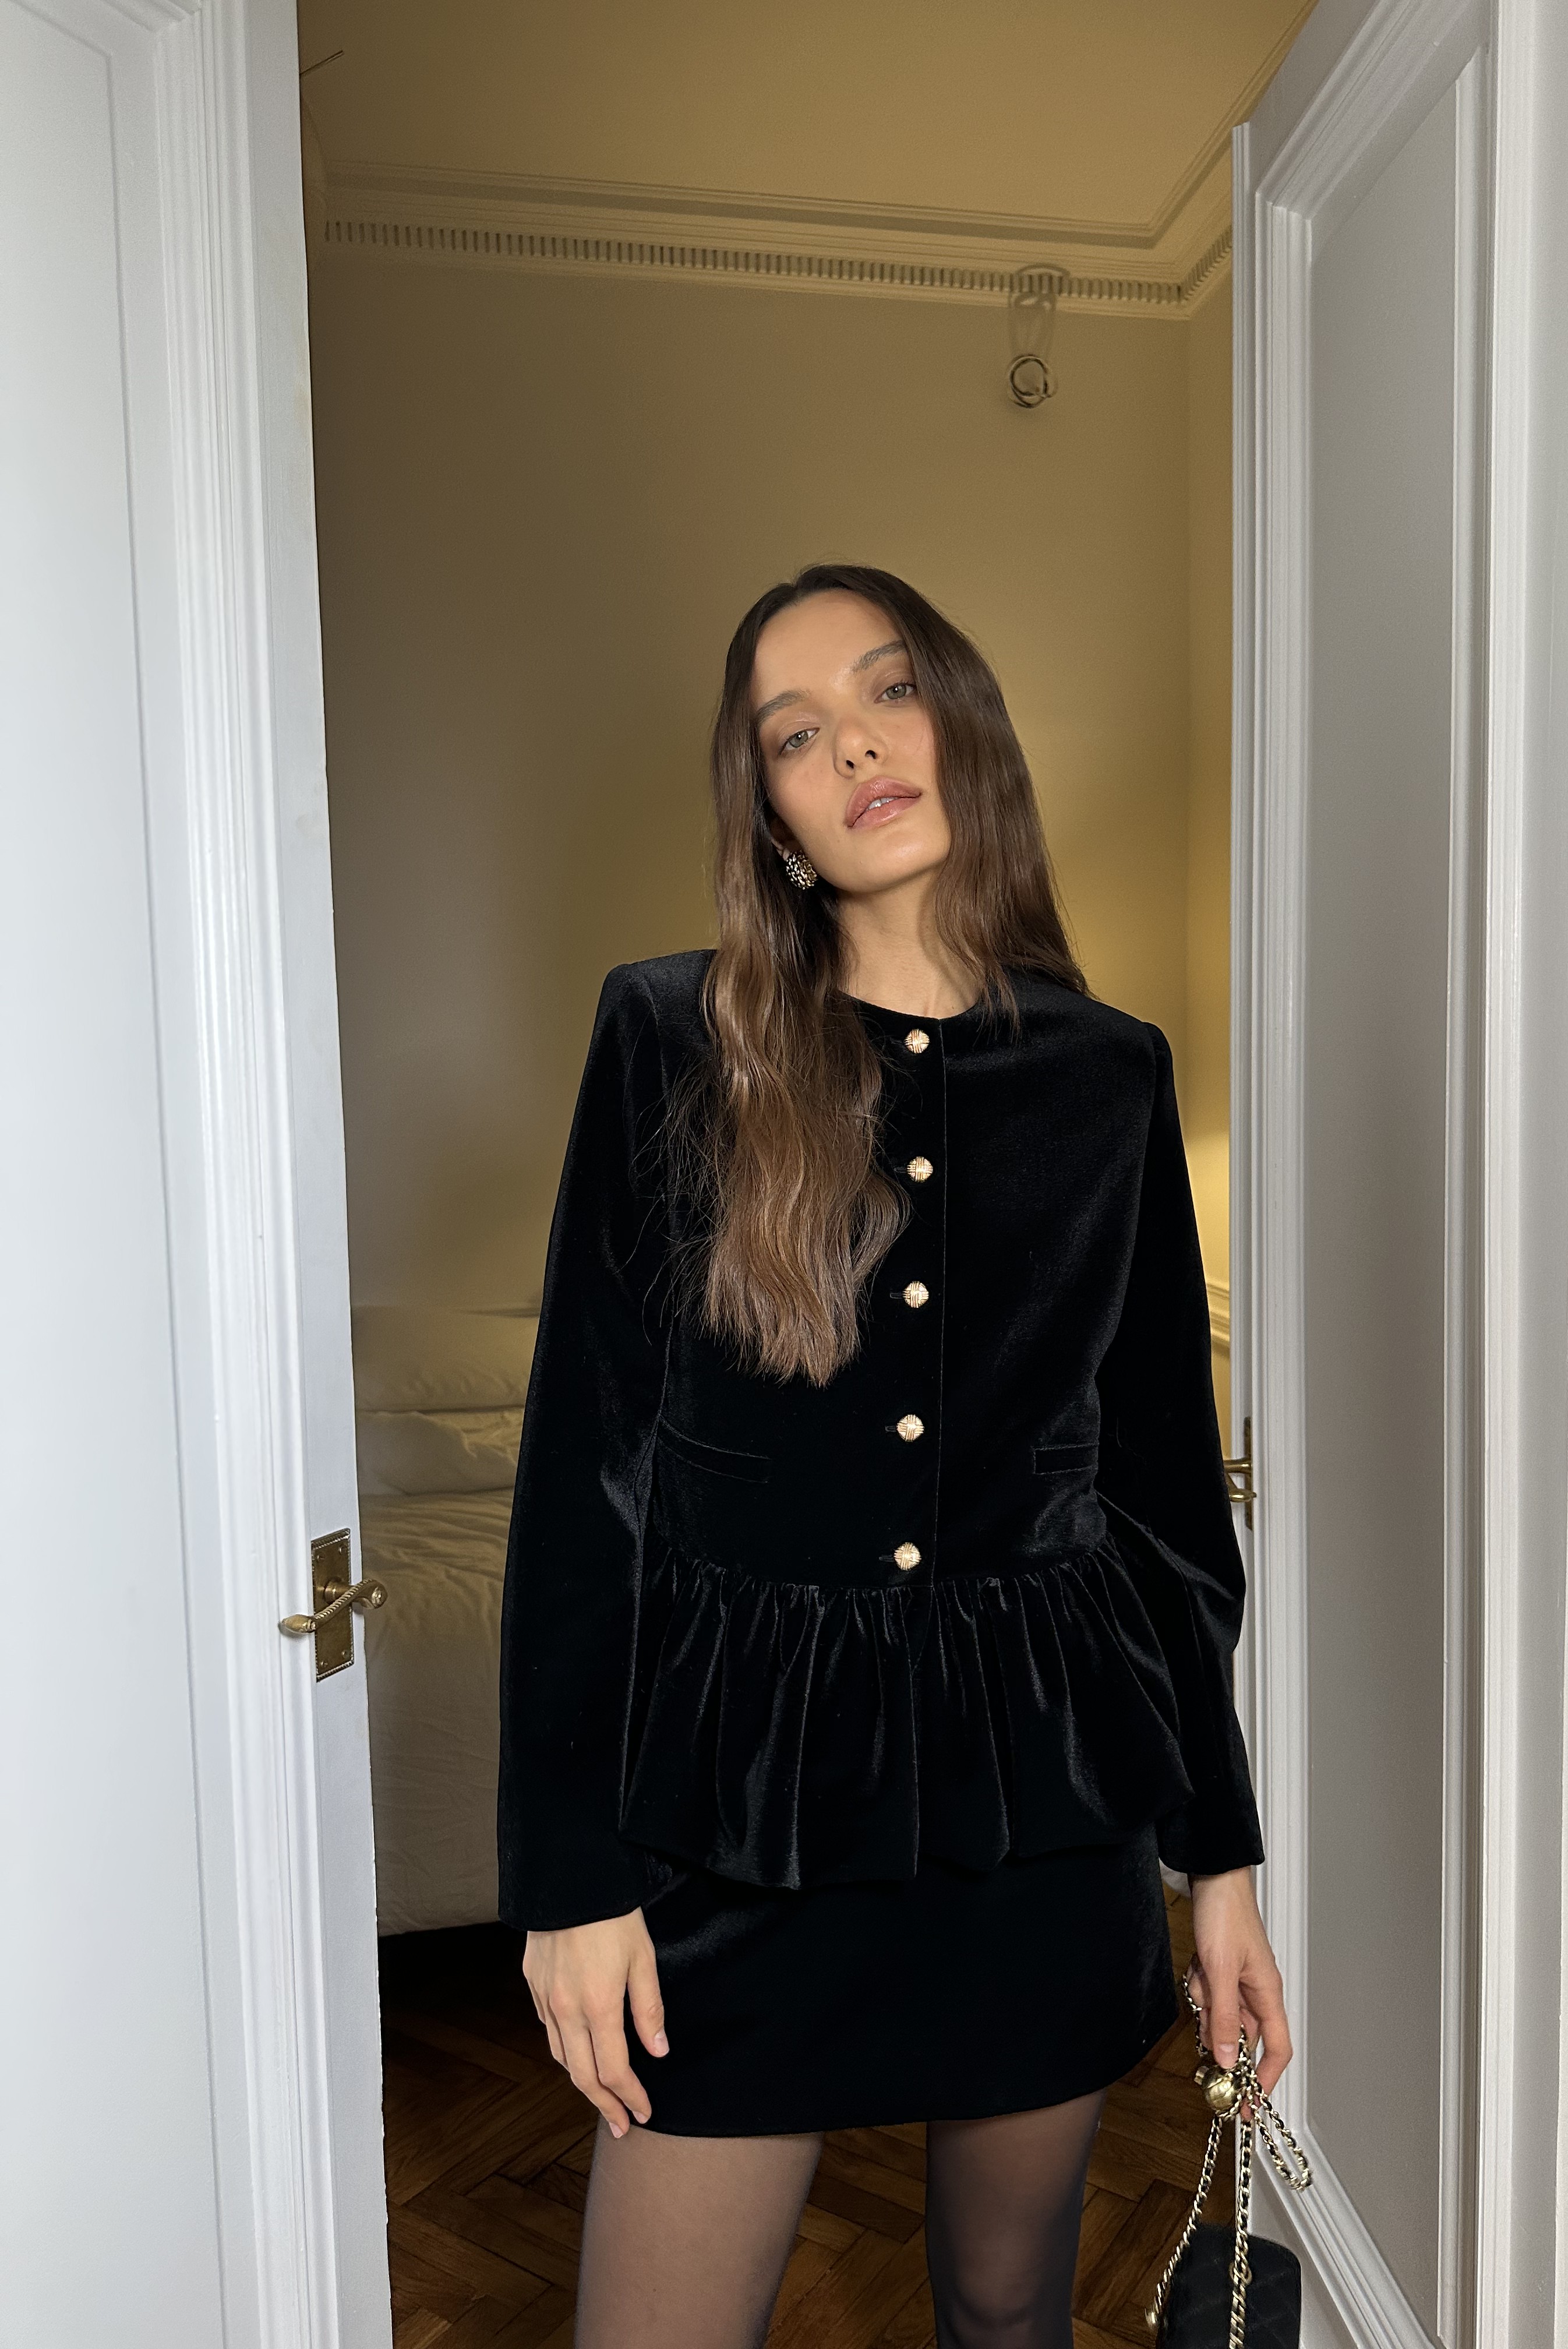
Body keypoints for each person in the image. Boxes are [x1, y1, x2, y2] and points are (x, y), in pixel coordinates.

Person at [497, 563, 1290, 2348]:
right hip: (738, 1813)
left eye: (888, 690)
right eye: (797, 734)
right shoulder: (668, 1040)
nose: (855, 745)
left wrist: (1222, 1872)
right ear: (768, 818)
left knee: (1009, 2313)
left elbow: (1166, 1513)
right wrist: (571, 1884)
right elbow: (583, 1493)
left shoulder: (1110, 1077)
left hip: (1041, 1812)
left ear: (964, 726)